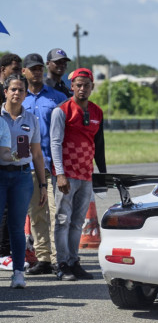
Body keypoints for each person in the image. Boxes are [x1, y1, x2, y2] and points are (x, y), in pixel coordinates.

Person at [50, 68, 106, 281]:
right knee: (62, 220)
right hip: (67, 175)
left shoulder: (97, 112)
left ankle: (74, 261)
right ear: (71, 86)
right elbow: (55, 143)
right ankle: (62, 264)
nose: (82, 89)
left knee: (77, 222)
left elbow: (99, 145)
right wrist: (60, 174)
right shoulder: (61, 110)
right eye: (78, 85)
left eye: (86, 85)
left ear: (92, 87)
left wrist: (103, 174)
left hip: (86, 175)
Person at [0, 74, 47, 289]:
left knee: (17, 227)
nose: (17, 93)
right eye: (13, 89)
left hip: (21, 177)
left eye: (21, 90)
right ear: (5, 91)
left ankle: (18, 272)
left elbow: (37, 155)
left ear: (26, 94)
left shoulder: (31, 119)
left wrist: (43, 183)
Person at [22, 53, 67, 275]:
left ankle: (60, 259)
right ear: (24, 72)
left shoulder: (58, 98)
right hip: (29, 166)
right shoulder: (19, 99)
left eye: (40, 68)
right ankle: (43, 258)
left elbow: (66, 133)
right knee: (37, 213)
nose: (37, 71)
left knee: (55, 211)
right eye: (33, 68)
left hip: (53, 165)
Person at [0, 53, 23, 260]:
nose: (18, 72)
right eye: (14, 69)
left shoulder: (25, 114)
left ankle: (6, 252)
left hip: (10, 163)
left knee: (11, 212)